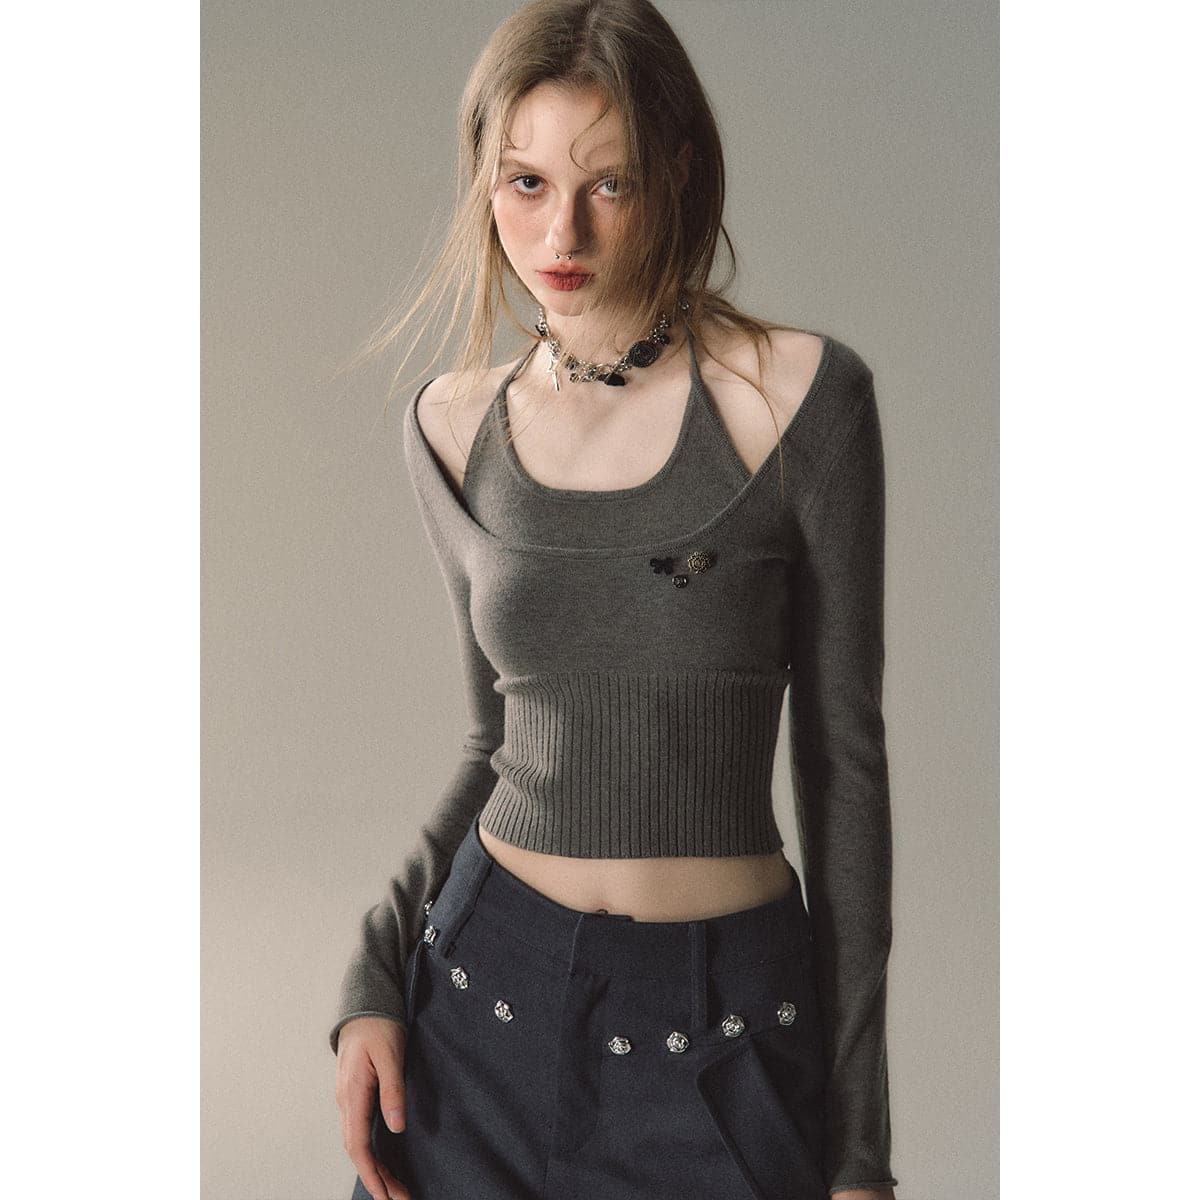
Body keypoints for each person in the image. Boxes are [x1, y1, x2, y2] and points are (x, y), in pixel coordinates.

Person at [331, 2, 899, 1198]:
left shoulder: (802, 402)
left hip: (718, 1040)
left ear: (677, 174)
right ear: (484, 179)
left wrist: (859, 1159)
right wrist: (374, 977)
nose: (562, 232)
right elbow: (496, 743)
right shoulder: (450, 427)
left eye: (609, 183)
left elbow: (844, 773)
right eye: (526, 182)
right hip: (473, 1023)